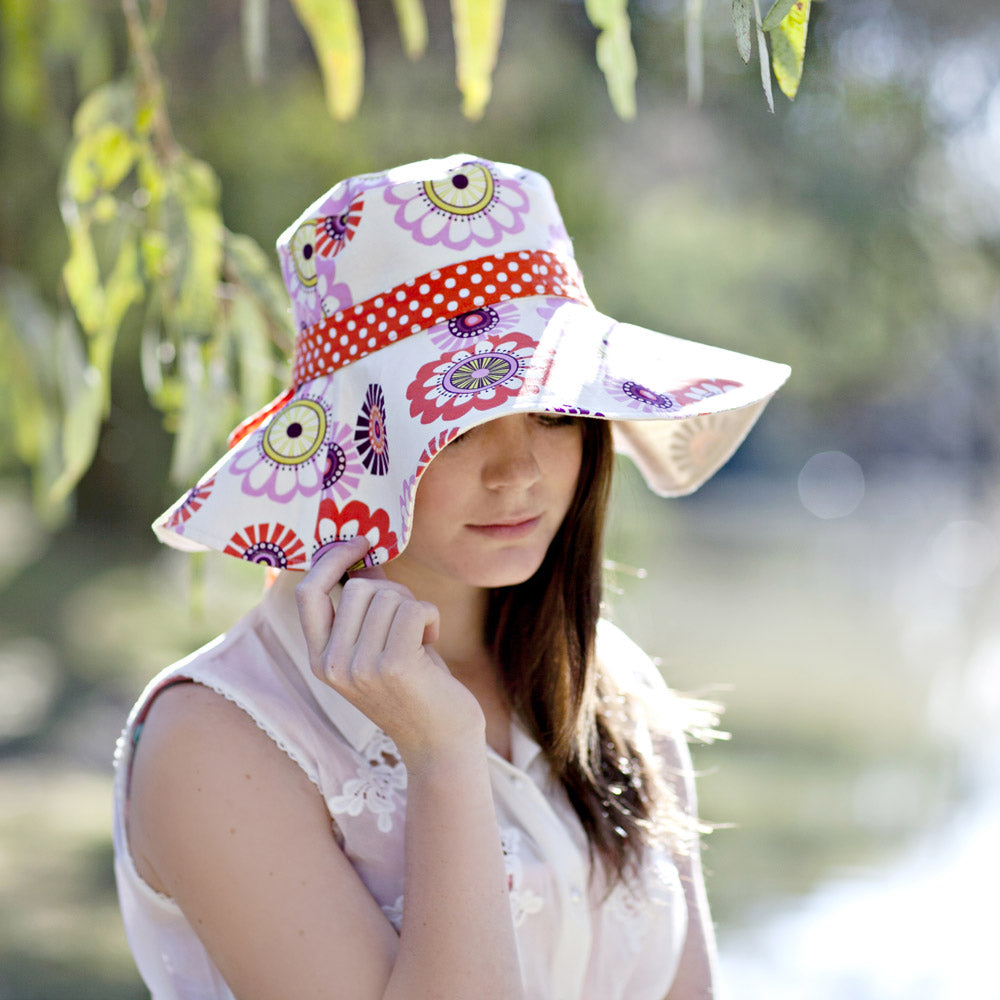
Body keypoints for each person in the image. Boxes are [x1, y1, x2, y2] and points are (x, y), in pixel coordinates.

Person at [112, 154, 790, 1000]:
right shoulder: (219, 740)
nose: (517, 473)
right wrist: (443, 760)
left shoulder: (615, 688)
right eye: (456, 424)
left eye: (552, 414)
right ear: (357, 445)